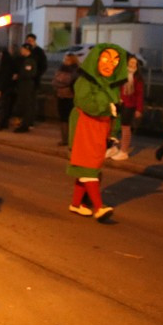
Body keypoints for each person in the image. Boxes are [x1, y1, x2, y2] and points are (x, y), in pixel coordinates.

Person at [67, 44, 128, 221]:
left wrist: (112, 132)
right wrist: (107, 107)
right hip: (84, 127)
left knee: (88, 167)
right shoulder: (84, 81)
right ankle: (99, 207)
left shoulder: (112, 85)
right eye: (106, 59)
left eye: (116, 60)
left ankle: (76, 204)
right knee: (89, 167)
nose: (111, 64)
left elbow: (114, 111)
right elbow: (87, 103)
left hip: (100, 128)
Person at [113, 55, 144, 160]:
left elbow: (140, 95)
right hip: (120, 103)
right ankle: (114, 147)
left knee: (126, 128)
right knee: (115, 126)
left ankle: (124, 151)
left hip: (130, 105)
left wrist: (139, 109)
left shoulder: (137, 78)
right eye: (130, 62)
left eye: (134, 63)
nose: (132, 65)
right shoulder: (122, 75)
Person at [51, 54, 80, 146]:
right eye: (65, 59)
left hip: (70, 96)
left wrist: (62, 83)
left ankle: (72, 139)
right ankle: (64, 139)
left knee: (71, 118)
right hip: (61, 96)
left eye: (67, 59)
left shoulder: (76, 70)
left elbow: (71, 82)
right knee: (63, 118)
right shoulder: (61, 68)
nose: (65, 60)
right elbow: (55, 81)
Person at [13, 43, 38, 133]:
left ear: (27, 50)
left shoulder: (29, 61)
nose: (21, 51)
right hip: (23, 85)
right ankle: (23, 123)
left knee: (26, 105)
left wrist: (19, 75)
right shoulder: (25, 60)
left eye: (22, 49)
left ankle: (25, 125)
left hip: (26, 85)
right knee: (22, 104)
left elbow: (29, 74)